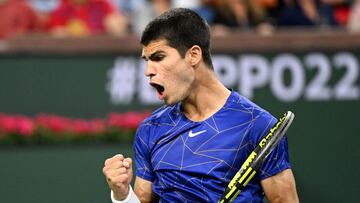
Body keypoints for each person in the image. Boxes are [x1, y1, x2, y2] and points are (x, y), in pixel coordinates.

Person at [103, 8, 299, 203]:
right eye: (147, 60)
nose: (148, 71)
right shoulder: (150, 129)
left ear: (194, 55)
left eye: (159, 57)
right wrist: (122, 195)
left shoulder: (257, 125)